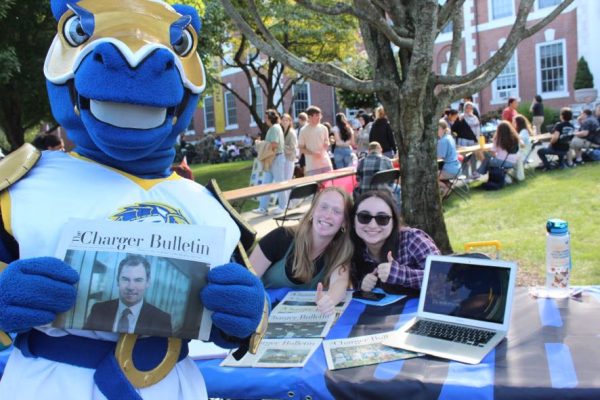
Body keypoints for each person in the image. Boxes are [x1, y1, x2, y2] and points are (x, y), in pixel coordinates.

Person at [0, 3, 266, 399]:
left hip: (172, 383)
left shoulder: (204, 204)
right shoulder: (21, 189)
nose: (134, 62)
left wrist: (245, 316)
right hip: (54, 383)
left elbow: (245, 314)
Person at [249, 187, 353, 315]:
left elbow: (339, 282)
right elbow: (247, 281)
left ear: (344, 223)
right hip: (260, 314)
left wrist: (329, 300)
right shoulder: (280, 238)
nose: (327, 215)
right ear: (312, 211)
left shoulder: (339, 251)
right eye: (323, 207)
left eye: (336, 211)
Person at [350, 190, 440, 294]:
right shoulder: (353, 248)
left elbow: (443, 278)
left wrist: (399, 274)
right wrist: (362, 286)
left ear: (393, 222)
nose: (372, 225)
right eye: (364, 217)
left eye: (382, 218)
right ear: (353, 221)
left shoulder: (412, 240)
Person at [84, 255, 172, 336]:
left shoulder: (162, 320)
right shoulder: (98, 310)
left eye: (138, 280)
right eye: (125, 279)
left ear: (148, 282)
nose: (131, 287)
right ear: (118, 281)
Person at [253, 109, 286, 215]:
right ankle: (262, 207)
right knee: (266, 184)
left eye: (266, 117)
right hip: (273, 159)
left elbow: (274, 144)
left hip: (276, 158)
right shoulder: (275, 128)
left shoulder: (274, 128)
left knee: (280, 184)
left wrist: (260, 144)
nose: (264, 119)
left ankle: (282, 207)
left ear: (270, 118)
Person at [298, 106, 333, 176]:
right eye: (317, 115)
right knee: (315, 186)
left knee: (330, 185)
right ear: (309, 117)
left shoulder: (324, 128)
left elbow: (327, 141)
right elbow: (301, 148)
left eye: (320, 115)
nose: (319, 117)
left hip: (326, 163)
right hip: (312, 166)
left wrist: (326, 144)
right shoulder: (303, 130)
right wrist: (313, 153)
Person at [452, 101, 481, 178]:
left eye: (470, 107)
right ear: (464, 108)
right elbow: (454, 128)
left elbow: (478, 130)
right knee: (465, 158)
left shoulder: (475, 118)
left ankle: (474, 172)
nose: (469, 109)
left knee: (473, 157)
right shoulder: (461, 117)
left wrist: (477, 140)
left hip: (472, 141)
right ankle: (465, 174)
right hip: (463, 141)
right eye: (467, 107)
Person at [281, 113, 298, 205]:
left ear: (290, 121)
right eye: (283, 120)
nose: (284, 122)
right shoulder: (282, 131)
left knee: (287, 181)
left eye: (286, 120)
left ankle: (291, 202)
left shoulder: (291, 132)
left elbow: (292, 148)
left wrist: (281, 146)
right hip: (283, 159)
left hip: (289, 159)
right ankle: (292, 201)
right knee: (285, 181)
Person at [437, 119, 460, 185]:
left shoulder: (443, 140)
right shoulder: (449, 137)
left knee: (430, 177)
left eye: (438, 128)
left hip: (450, 170)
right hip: (457, 168)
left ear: (443, 129)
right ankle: (448, 187)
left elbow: (440, 157)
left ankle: (447, 189)